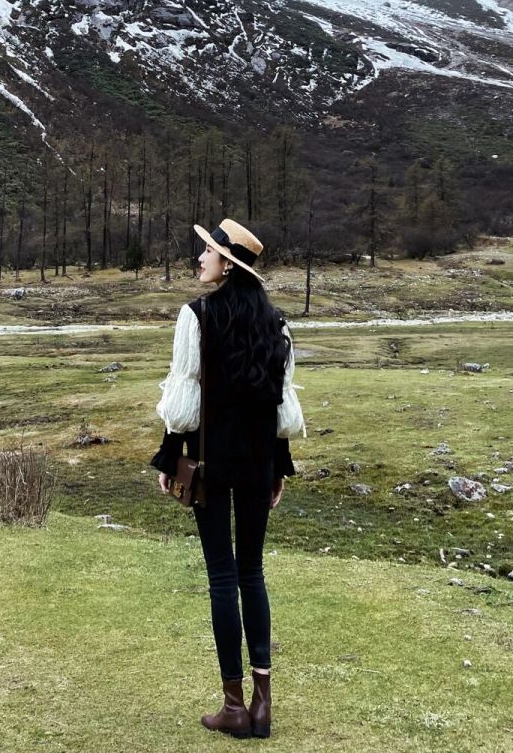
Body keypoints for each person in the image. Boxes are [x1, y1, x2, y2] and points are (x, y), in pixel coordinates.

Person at [151, 218, 296, 740]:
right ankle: (262, 706)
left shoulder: (196, 316)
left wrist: (170, 458)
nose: (199, 259)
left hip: (210, 465)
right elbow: (280, 403)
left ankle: (233, 705)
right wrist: (279, 465)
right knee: (253, 574)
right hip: (258, 464)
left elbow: (183, 397)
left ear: (226, 264)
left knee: (222, 577)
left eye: (207, 252)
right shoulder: (276, 323)